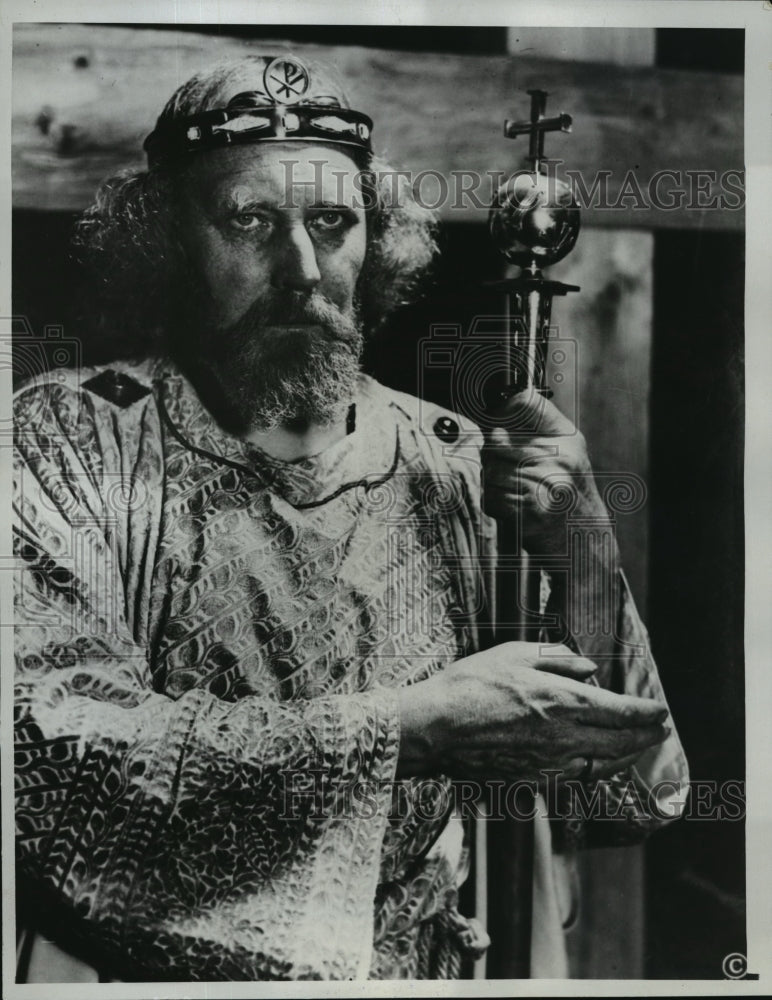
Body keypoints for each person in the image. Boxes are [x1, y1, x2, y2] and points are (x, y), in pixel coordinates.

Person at [13, 53, 689, 982]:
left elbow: (619, 800)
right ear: (166, 241)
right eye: (249, 221)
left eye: (333, 223)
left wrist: (582, 555)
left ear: (377, 241)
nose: (301, 268)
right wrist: (412, 728)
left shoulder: (455, 459)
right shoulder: (69, 439)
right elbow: (52, 752)